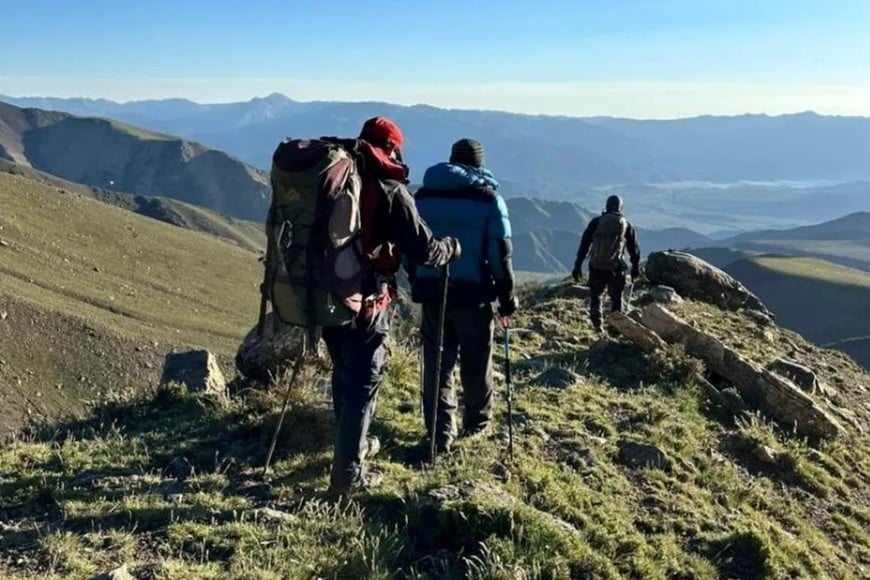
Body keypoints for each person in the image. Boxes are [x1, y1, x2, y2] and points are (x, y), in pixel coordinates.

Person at [323, 117, 461, 495]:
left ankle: (348, 451)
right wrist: (450, 248)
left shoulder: (334, 176)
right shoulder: (389, 188)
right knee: (363, 382)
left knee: (344, 374)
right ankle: (348, 475)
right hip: (367, 300)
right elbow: (424, 248)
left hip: (327, 295)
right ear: (393, 148)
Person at [407, 138, 518, 454]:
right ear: (478, 165)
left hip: (432, 292)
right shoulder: (488, 200)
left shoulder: (422, 197)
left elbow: (410, 246)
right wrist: (507, 297)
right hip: (474, 295)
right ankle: (476, 423)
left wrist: (417, 277)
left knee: (436, 363)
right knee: (475, 360)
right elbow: (500, 254)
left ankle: (439, 435)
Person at [571, 194, 641, 331]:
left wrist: (577, 265)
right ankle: (615, 328)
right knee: (616, 297)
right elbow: (634, 249)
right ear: (620, 208)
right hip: (616, 267)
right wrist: (635, 267)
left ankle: (597, 324)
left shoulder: (597, 222)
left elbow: (584, 244)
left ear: (606, 206)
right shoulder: (626, 225)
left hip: (597, 266)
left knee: (596, 295)